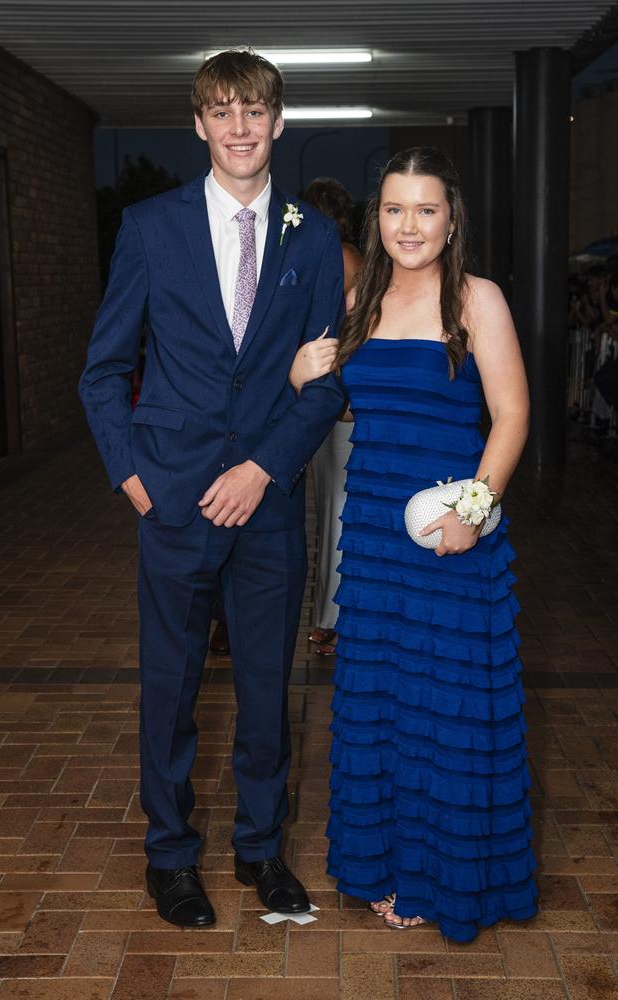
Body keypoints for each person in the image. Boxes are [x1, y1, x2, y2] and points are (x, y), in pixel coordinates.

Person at [79, 48, 345, 929]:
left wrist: (264, 464)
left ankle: (262, 852)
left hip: (266, 502)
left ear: (278, 123)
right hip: (174, 499)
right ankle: (171, 858)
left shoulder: (313, 238)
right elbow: (105, 368)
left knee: (270, 688)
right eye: (223, 112)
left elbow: (329, 382)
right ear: (201, 125)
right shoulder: (151, 227)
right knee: (172, 686)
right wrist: (133, 478)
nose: (240, 127)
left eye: (255, 111)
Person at [292, 147, 536, 942]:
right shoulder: (359, 300)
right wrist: (302, 377)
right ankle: (390, 864)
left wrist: (474, 505)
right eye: (394, 209)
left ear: (451, 218)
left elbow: (511, 417)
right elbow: (341, 404)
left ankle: (443, 878)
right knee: (386, 708)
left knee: (447, 711)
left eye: (426, 209)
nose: (409, 225)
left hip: (452, 543)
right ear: (378, 218)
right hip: (373, 546)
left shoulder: (478, 299)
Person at [294, 179, 362, 656]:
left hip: (338, 400)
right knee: (333, 510)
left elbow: (350, 333)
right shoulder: (340, 256)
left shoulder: (338, 257)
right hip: (326, 399)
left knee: (335, 512)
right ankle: (330, 615)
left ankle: (332, 619)